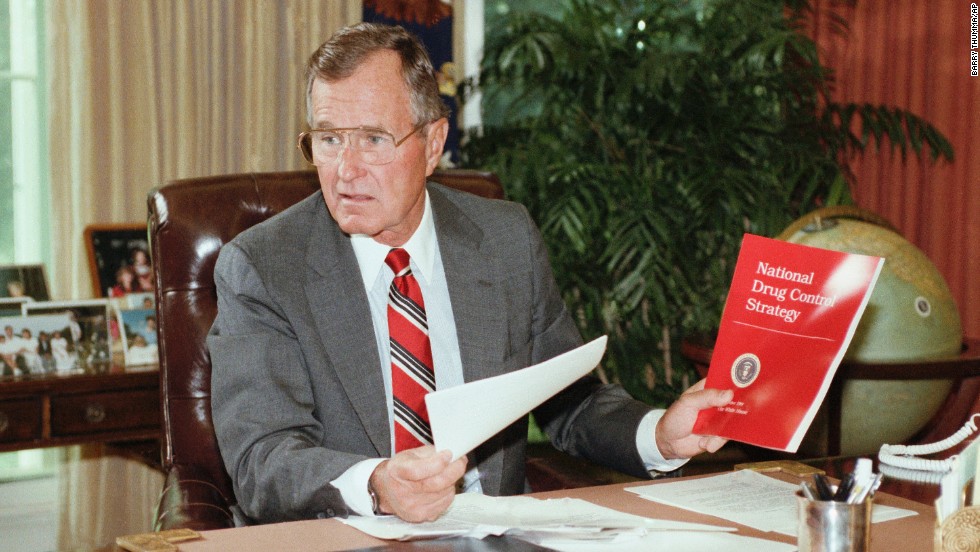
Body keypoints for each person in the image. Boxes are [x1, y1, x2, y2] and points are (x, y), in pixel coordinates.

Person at [208, 22, 733, 526]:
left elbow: (571, 403)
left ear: (433, 144)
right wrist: (377, 484)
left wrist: (660, 435)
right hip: (350, 535)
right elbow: (263, 458)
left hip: (492, 536)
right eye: (328, 139)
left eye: (372, 139)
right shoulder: (263, 267)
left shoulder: (504, 239)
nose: (346, 170)